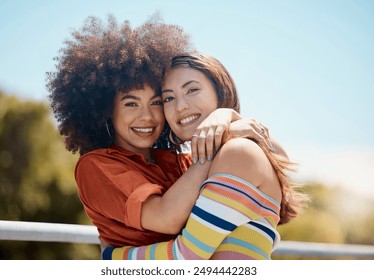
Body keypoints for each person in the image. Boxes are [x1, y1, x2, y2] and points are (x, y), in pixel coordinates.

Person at [47, 15, 274, 253]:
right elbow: (166, 218)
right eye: (131, 104)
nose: (146, 116)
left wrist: (226, 117)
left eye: (156, 103)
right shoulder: (96, 166)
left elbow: (264, 173)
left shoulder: (177, 160)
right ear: (106, 110)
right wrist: (219, 136)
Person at [101, 53, 308, 260]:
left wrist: (111, 256)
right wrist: (228, 118)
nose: (180, 106)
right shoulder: (203, 166)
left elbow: (186, 258)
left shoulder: (238, 152)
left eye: (192, 90)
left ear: (221, 92)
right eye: (168, 98)